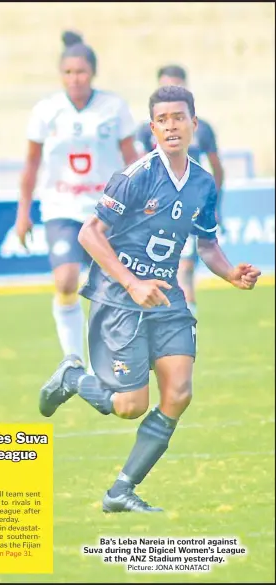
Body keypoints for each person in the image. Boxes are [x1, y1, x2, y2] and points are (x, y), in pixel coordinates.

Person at [38, 85, 261, 512]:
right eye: (163, 120)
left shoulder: (202, 183)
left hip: (167, 298)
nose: (172, 126)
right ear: (152, 128)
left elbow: (207, 245)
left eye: (179, 117)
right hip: (120, 299)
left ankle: (119, 492)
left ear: (195, 124)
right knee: (129, 406)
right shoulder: (135, 176)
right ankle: (72, 378)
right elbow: (89, 234)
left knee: (178, 393)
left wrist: (231, 272)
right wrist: (133, 284)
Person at [15, 31, 138, 368]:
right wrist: (23, 212)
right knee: (66, 279)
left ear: (93, 73)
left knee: (114, 287)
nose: (75, 78)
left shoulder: (113, 108)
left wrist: (142, 204)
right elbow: (31, 164)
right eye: (68, 72)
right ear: (60, 74)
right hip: (61, 208)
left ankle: (117, 356)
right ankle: (73, 358)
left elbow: (132, 160)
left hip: (107, 212)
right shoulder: (47, 110)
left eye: (81, 71)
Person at [135, 65, 225, 318]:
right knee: (156, 275)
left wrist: (212, 205)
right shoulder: (146, 130)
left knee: (184, 270)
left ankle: (187, 333)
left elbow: (217, 169)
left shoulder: (201, 128)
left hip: (189, 207)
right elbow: (139, 171)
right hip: (156, 211)